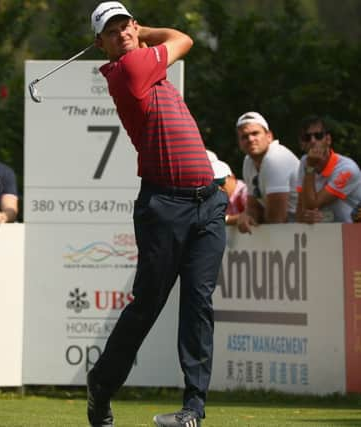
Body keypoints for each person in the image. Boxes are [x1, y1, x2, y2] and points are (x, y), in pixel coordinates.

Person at [86, 3, 228, 427]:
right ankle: (101, 385)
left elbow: (175, 42)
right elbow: (183, 38)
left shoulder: (142, 63)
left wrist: (136, 29)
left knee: (199, 304)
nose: (123, 33)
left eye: (125, 24)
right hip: (165, 208)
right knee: (147, 306)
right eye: (112, 31)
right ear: (102, 45)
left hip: (209, 202)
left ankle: (193, 409)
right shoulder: (130, 70)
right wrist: (145, 30)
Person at [235, 111, 300, 233]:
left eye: (255, 133)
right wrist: (246, 217)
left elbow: (277, 219)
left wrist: (251, 218)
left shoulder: (276, 158)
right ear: (239, 143)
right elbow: (254, 207)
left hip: (306, 232)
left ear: (269, 136)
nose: (250, 139)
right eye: (244, 136)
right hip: (291, 233)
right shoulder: (248, 161)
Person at [295, 116, 361, 223]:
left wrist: (310, 167)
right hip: (331, 232)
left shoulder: (347, 169)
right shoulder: (304, 161)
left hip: (353, 231)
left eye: (318, 136)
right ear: (301, 144)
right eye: (307, 137)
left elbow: (312, 204)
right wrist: (305, 217)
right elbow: (300, 210)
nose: (313, 141)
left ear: (328, 140)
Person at [209, 156, 247, 226]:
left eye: (221, 182)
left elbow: (252, 217)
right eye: (213, 186)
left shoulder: (245, 192)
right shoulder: (215, 199)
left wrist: (224, 219)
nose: (218, 188)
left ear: (232, 177)